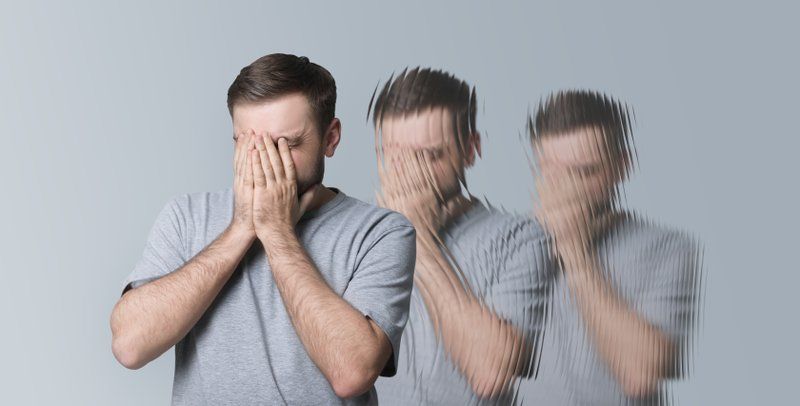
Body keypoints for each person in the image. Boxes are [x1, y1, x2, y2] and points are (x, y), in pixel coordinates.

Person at [110, 53, 416, 405]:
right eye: (250, 144)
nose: (268, 161)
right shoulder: (186, 216)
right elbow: (129, 346)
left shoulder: (381, 232)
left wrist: (278, 233)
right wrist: (241, 228)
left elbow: (352, 373)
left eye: (286, 144)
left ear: (330, 138)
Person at [370, 67, 552, 405]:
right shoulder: (357, 236)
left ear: (470, 149)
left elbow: (490, 373)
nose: (413, 175)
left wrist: (418, 239)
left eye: (430, 155)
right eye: (397, 156)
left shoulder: (520, 240)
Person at [525, 90, 702, 405]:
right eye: (552, 172)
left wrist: (576, 255)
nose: (568, 190)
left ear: (621, 167)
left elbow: (640, 374)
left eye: (585, 172)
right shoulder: (511, 246)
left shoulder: (669, 251)